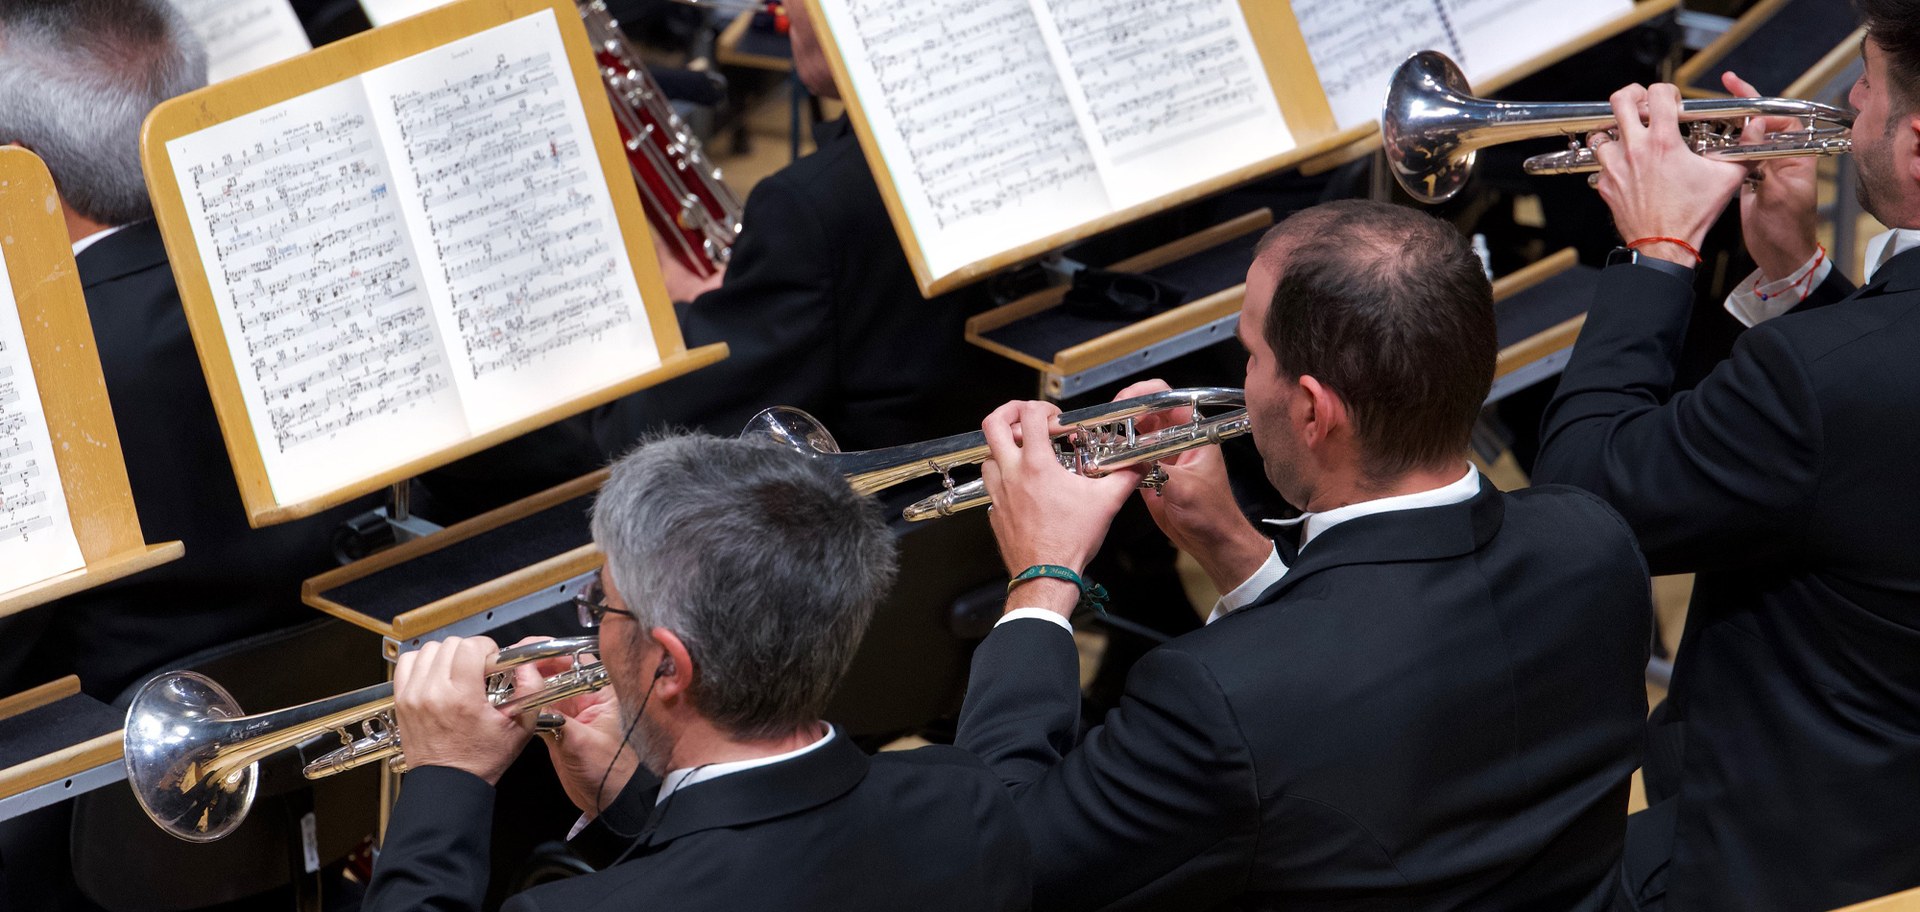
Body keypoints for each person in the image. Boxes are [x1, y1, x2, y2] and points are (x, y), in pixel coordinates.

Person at [956, 199, 1654, 911]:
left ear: (1314, 411)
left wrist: (1040, 578)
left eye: (1252, 356)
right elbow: (1374, 696)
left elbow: (1003, 859)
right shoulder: (1593, 542)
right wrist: (1229, 546)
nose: (1242, 384)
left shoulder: (1217, 696)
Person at [1532, 1, 1920, 906]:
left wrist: (1657, 252)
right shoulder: (1851, 370)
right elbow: (1876, 441)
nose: (1850, 102)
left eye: (1866, 84)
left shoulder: (1823, 380)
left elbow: (1582, 506)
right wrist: (1794, 273)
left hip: (1771, 853)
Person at [364, 434, 1031, 912]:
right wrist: (634, 803)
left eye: (602, 604)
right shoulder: (963, 796)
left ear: (669, 664)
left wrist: (446, 777)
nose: (592, 627)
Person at [0, 0, 376, 702]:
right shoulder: (320, 266)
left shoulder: (32, 373)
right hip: (356, 676)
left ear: (27, 174)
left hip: (111, 777)